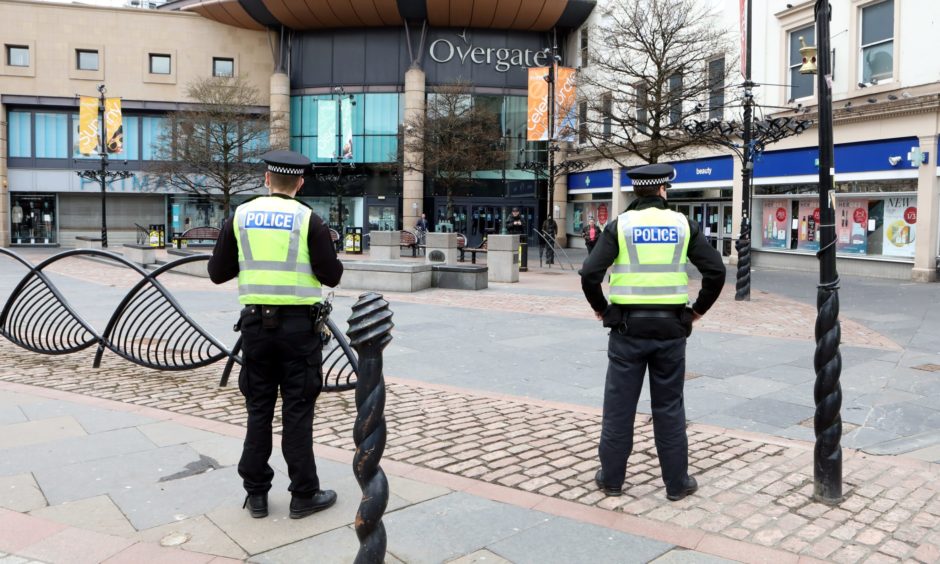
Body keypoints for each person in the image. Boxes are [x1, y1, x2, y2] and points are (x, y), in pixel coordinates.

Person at [208, 150, 343, 520]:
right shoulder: (308, 220)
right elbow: (332, 276)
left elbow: (217, 273)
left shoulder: (240, 216)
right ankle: (304, 494)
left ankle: (256, 495)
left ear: (267, 180)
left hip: (255, 329)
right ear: (299, 183)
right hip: (300, 331)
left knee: (258, 409)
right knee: (298, 412)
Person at [579, 163, 725, 502]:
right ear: (663, 189)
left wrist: (602, 308)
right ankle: (677, 484)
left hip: (627, 329)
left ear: (636, 191)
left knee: (619, 406)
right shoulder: (682, 224)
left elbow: (589, 273)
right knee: (669, 407)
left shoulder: (621, 226)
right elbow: (715, 271)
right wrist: (697, 310)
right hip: (672, 328)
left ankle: (612, 480)